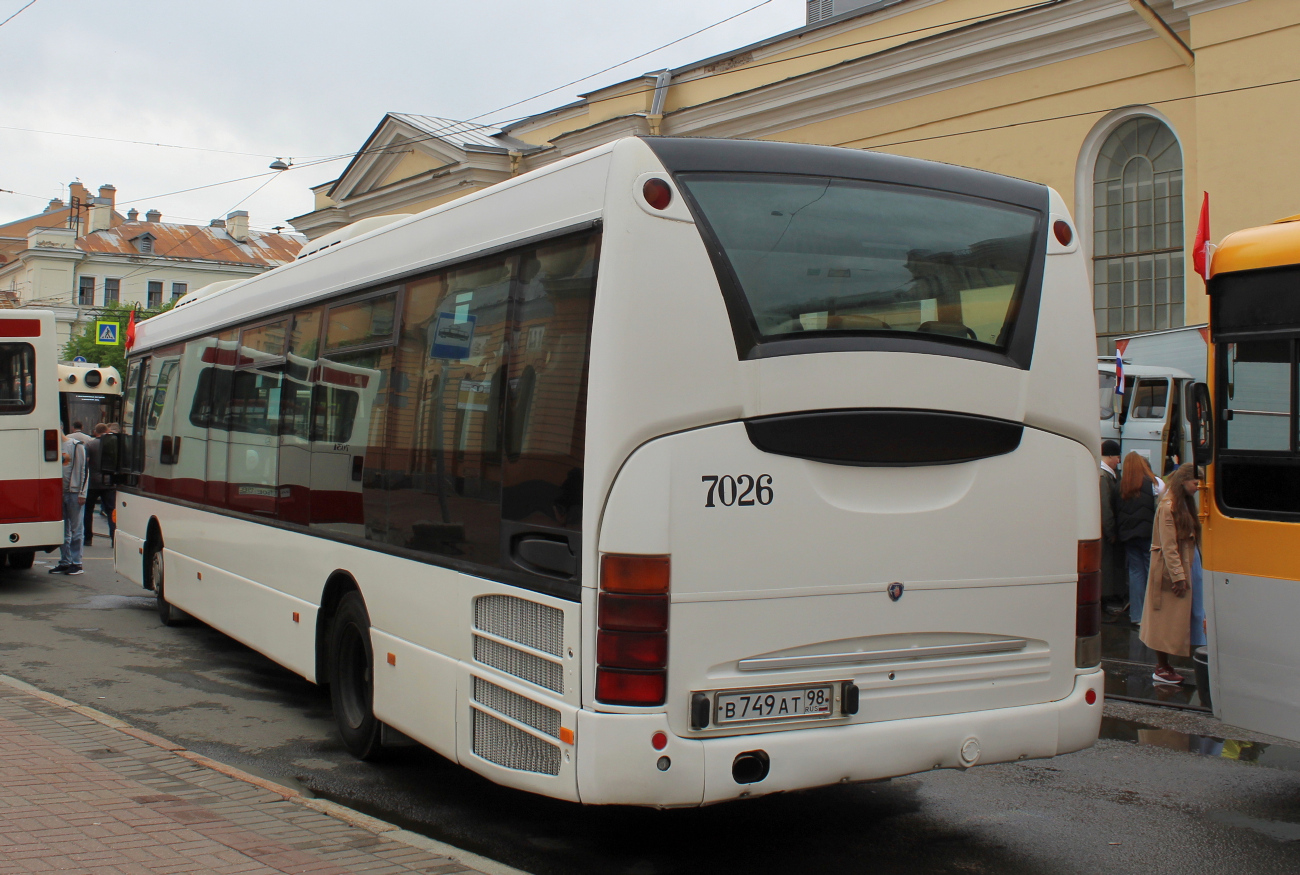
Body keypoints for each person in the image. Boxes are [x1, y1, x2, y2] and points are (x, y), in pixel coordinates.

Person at [1140, 463, 1203, 685]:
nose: (1198, 487)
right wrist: (1179, 576)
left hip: (1182, 566)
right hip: (1172, 570)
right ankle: (1162, 667)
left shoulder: (1180, 504)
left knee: (1171, 620)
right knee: (1165, 621)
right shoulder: (1170, 507)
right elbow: (1169, 546)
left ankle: (1164, 666)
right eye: (1195, 483)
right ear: (1183, 481)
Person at [1116, 452, 1159, 626]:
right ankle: (1152, 615)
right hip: (1148, 535)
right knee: (1151, 572)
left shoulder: (1120, 487)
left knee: (1135, 573)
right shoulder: (1152, 485)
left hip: (1128, 536)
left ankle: (1136, 615)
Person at [49, 428, 90, 575]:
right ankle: (65, 561)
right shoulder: (53, 447)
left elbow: (84, 470)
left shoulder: (75, 445)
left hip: (73, 492)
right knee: (63, 529)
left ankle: (77, 563)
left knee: (76, 529)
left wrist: (82, 493)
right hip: (59, 493)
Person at [1099, 439, 1125, 611]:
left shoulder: (1109, 475)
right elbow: (1105, 507)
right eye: (1117, 456)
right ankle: (1105, 597)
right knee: (1106, 564)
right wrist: (1111, 531)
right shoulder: (1103, 477)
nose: (1118, 460)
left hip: (1108, 529)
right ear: (1109, 456)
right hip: (1105, 531)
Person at [83, 423, 117, 546]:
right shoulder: (113, 444)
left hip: (93, 482)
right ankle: (114, 538)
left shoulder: (90, 444)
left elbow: (85, 463)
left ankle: (88, 538)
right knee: (111, 510)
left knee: (88, 511)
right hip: (109, 482)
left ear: (95, 432)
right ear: (107, 431)